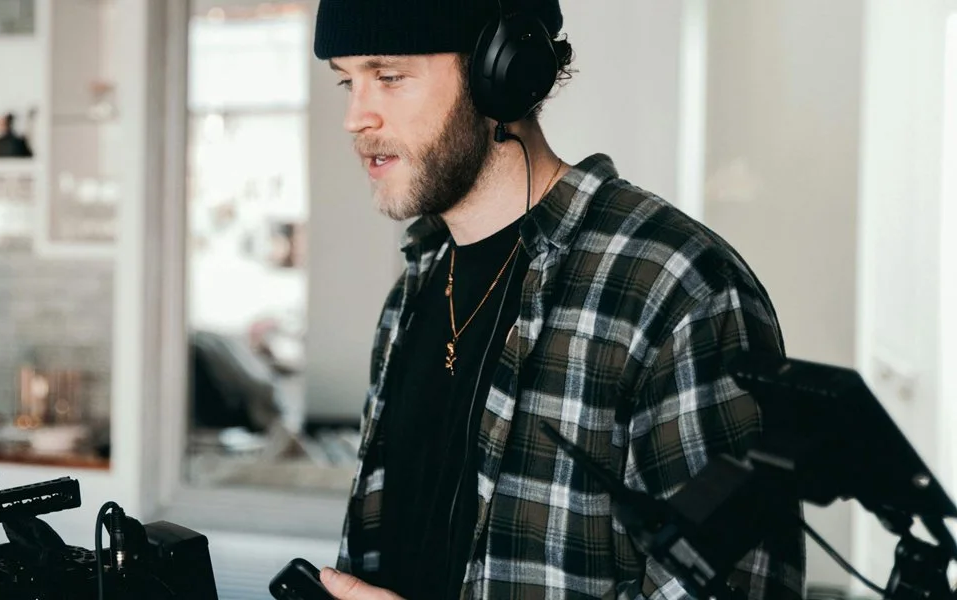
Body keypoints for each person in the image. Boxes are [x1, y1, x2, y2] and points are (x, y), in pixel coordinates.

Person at [308, 0, 806, 598]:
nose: (355, 117)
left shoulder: (676, 287)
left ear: (503, 74)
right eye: (346, 81)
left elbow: (732, 590)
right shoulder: (414, 289)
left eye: (388, 77)